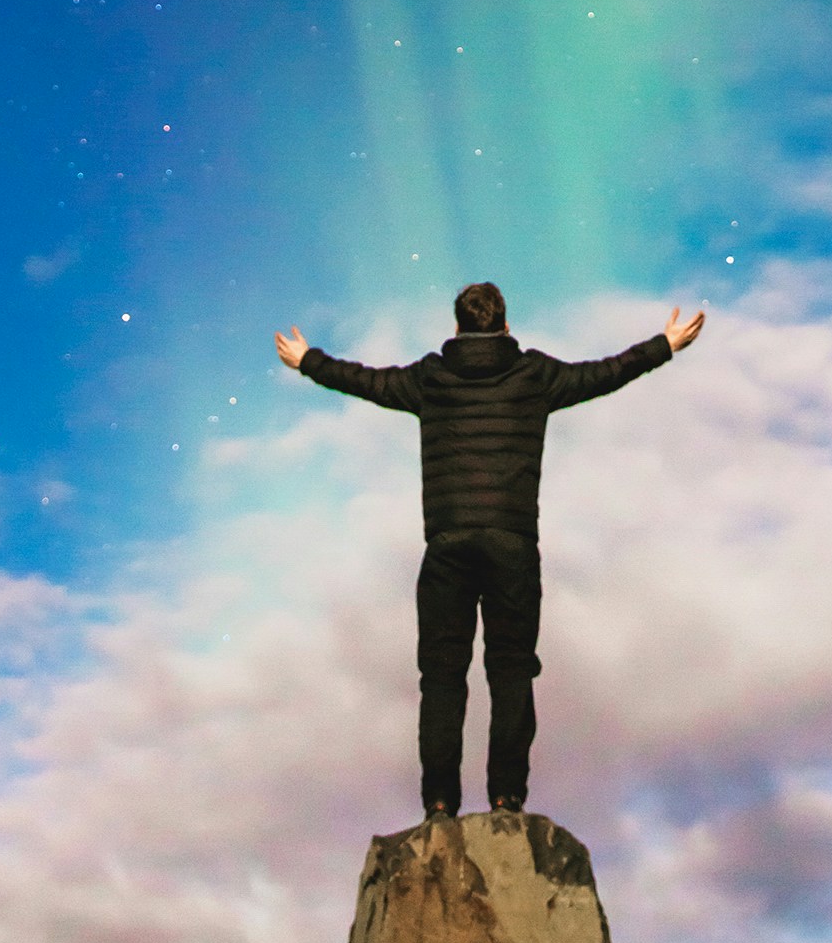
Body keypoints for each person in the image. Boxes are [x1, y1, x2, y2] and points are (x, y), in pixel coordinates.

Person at [275, 280, 703, 818]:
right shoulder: (534, 375)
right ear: (505, 324)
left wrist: (308, 360)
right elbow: (604, 373)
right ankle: (506, 796)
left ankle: (438, 803)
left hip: (448, 544)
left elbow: (365, 381)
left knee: (442, 677)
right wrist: (663, 345)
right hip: (512, 544)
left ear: (457, 327)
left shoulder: (430, 378)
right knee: (511, 670)